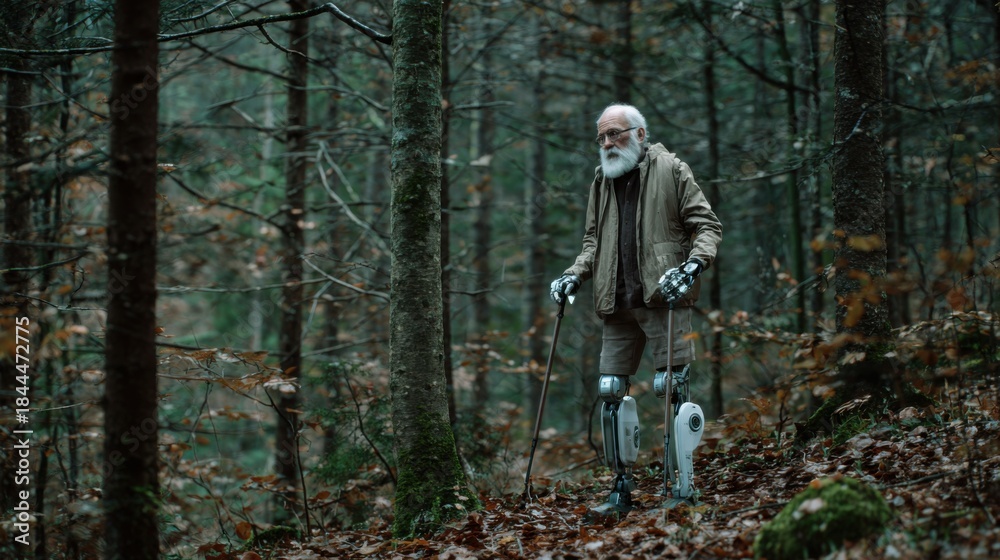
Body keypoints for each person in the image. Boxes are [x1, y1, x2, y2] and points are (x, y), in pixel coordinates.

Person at [549, 103, 722, 511]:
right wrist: (574, 273)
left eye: (616, 134)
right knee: (610, 391)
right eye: (602, 137)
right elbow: (592, 243)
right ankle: (620, 489)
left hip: (664, 294)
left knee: (672, 388)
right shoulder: (601, 181)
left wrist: (693, 266)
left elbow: (706, 225)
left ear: (640, 134)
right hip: (616, 300)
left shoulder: (672, 170)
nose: (608, 143)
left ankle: (683, 488)